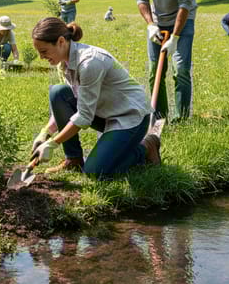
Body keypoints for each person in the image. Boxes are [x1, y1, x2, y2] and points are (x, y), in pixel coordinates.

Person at [28, 17, 159, 175]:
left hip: (130, 117)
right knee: (58, 93)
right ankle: (73, 160)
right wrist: (45, 133)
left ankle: (146, 147)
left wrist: (52, 143)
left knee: (96, 173)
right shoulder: (63, 62)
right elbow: (70, 103)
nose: (41, 57)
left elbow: (84, 116)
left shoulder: (89, 63)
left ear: (61, 41)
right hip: (104, 111)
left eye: (44, 51)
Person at [134, 0, 199, 121]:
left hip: (183, 19)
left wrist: (175, 37)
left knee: (181, 69)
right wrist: (150, 25)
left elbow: (185, 1)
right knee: (155, 70)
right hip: (157, 21)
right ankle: (159, 117)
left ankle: (182, 118)